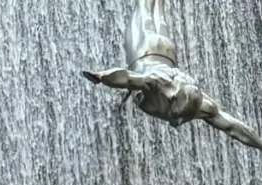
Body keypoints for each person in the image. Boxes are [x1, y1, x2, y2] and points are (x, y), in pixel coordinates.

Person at [85, 3, 262, 147]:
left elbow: (233, 127)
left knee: (156, 9)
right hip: (143, 49)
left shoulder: (203, 106)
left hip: (166, 52)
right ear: (173, 97)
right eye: (177, 115)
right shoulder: (157, 84)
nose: (178, 122)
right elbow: (127, 77)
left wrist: (260, 145)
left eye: (184, 118)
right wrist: (101, 77)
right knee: (143, 7)